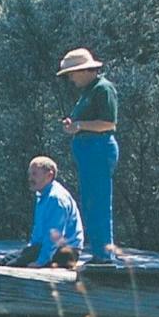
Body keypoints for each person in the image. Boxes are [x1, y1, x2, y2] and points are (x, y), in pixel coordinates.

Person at [57, 47, 119, 256]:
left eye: (72, 74)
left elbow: (108, 123)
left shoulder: (103, 89)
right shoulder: (89, 91)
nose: (71, 79)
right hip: (89, 151)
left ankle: (104, 255)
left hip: (99, 149)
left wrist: (80, 125)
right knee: (91, 203)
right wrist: (73, 125)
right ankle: (99, 253)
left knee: (99, 202)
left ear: (84, 70)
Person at [6, 155, 83, 267]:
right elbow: (38, 233)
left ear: (49, 175)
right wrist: (29, 250)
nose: (30, 179)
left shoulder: (56, 198)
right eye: (30, 174)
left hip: (66, 252)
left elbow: (55, 236)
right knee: (3, 260)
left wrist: (41, 262)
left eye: (34, 174)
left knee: (12, 265)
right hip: (47, 248)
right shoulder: (42, 196)